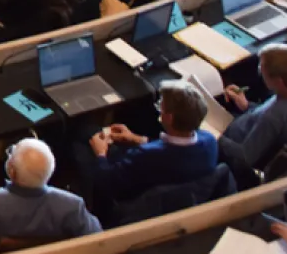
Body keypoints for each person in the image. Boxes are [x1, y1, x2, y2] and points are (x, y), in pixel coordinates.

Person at [82, 80, 218, 214]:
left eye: (161, 106)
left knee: (84, 135)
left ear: (169, 118)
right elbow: (174, 148)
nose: (159, 110)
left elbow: (107, 183)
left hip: (132, 205)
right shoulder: (210, 141)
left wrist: (100, 153)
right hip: (181, 198)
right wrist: (137, 139)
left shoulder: (143, 156)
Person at [220, 44, 287, 175]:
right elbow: (269, 111)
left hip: (235, 145)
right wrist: (247, 105)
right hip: (251, 125)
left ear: (278, 82)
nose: (260, 72)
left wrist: (217, 138)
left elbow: (245, 156)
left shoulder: (275, 117)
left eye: (262, 69)